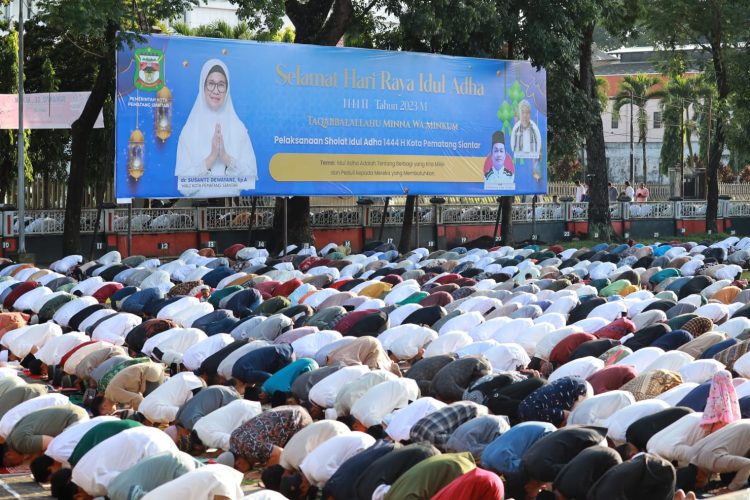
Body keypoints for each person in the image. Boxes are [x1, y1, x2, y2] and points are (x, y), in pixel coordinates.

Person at [175, 59, 257, 197]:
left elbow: (250, 180)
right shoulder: (189, 130)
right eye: (211, 84)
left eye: (221, 85)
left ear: (227, 89)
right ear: (203, 86)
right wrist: (211, 158)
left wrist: (226, 158)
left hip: (232, 208)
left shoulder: (238, 128)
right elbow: (183, 186)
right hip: (197, 208)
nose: (216, 91)